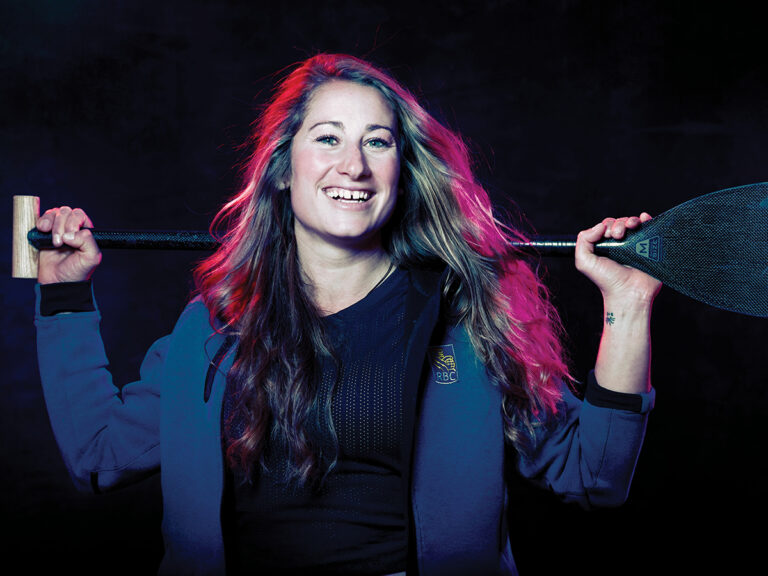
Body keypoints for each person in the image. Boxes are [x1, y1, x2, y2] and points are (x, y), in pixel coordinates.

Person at [33, 53, 661, 576]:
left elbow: (594, 475)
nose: (353, 165)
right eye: (328, 137)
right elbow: (99, 456)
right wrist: (63, 297)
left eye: (376, 142)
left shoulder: (467, 318)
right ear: (283, 168)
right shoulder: (212, 329)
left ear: (401, 171)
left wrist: (628, 305)